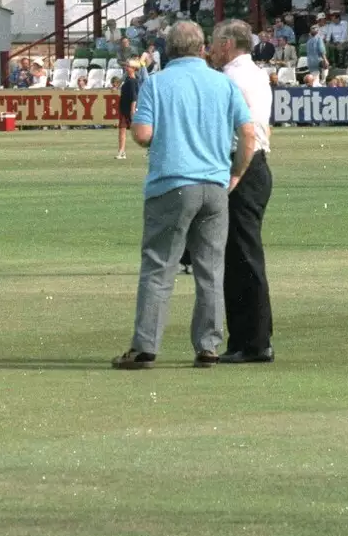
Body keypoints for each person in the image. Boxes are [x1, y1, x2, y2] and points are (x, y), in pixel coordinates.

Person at [112, 21, 256, 370]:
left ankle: (145, 345)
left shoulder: (157, 84)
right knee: (210, 270)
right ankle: (208, 345)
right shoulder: (223, 84)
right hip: (214, 186)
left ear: (168, 48)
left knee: (159, 267)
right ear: (202, 48)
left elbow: (143, 134)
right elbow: (249, 133)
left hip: (171, 184)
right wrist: (235, 173)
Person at [205, 20, 275, 365]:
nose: (211, 49)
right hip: (256, 165)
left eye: (215, 43)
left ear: (229, 44)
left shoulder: (230, 79)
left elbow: (240, 134)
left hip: (242, 168)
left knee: (241, 257)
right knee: (242, 255)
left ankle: (252, 342)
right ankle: (252, 338)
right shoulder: (257, 73)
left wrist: (234, 174)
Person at [116, 59, 140, 159]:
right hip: (124, 109)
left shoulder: (132, 81)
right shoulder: (128, 80)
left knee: (139, 132)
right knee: (122, 130)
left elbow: (134, 97)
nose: (126, 68)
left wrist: (132, 110)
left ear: (134, 69)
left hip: (129, 110)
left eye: (128, 66)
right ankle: (121, 151)